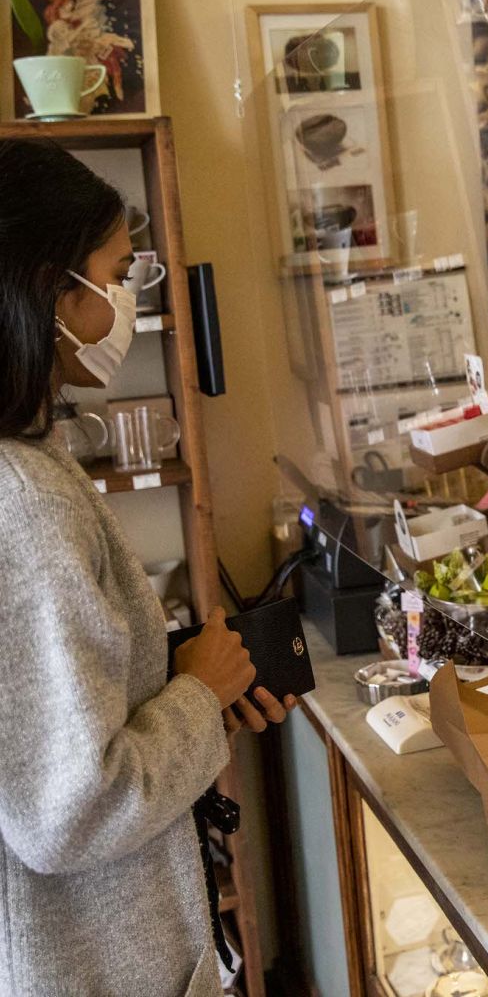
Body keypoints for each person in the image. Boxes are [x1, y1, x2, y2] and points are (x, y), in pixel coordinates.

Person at [0, 138, 293, 996]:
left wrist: (182, 684)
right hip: (89, 961)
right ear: (51, 289)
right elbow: (67, 811)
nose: (128, 298)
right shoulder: (25, 498)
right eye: (118, 272)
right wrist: (197, 692)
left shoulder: (32, 458)